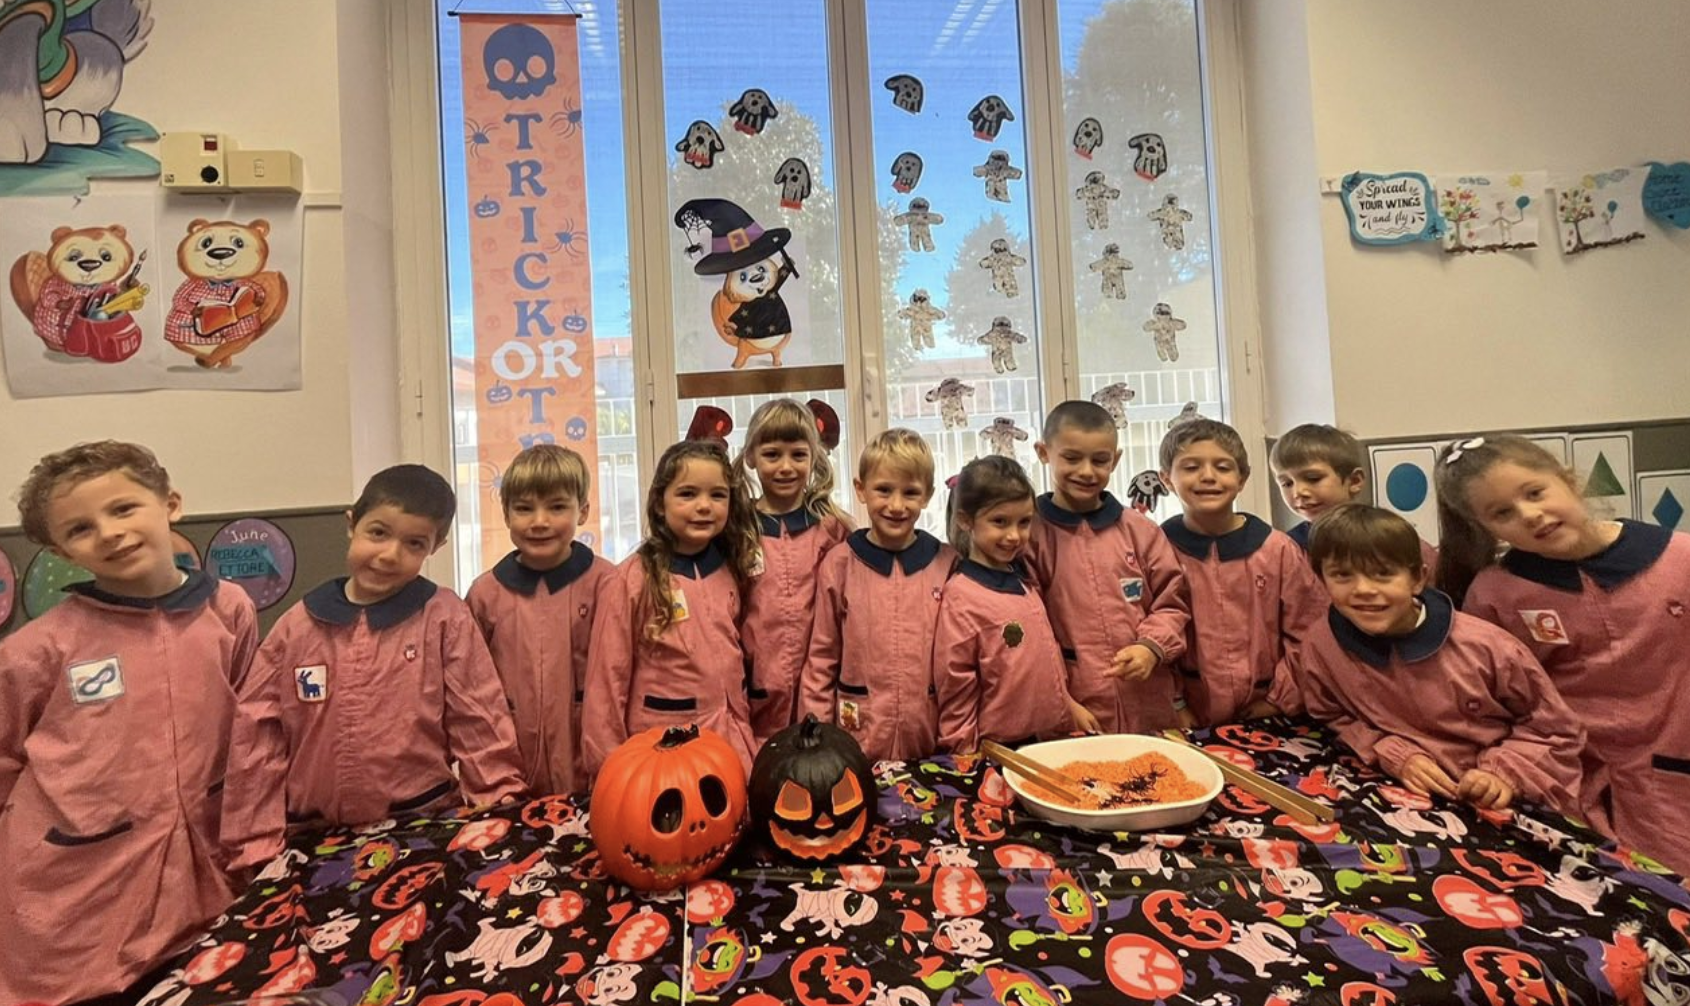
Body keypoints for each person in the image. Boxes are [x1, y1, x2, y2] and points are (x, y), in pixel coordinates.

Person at [1, 442, 257, 1006]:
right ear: (59, 549)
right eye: (80, 528)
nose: (110, 533)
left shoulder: (230, 610)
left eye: (123, 509)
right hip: (76, 890)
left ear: (170, 503)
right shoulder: (37, 650)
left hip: (203, 870)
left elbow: (250, 728)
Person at [221, 465, 526, 871]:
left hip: (422, 826)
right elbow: (257, 737)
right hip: (312, 835)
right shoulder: (297, 627)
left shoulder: (444, 618)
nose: (389, 555)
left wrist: (499, 805)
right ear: (352, 523)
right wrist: (253, 844)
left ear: (436, 546)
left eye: (414, 543)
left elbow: (479, 717)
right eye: (378, 533)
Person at [1436, 434, 1689, 874]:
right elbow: (1497, 706)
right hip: (1568, 784)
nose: (1530, 515)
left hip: (1675, 777)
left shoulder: (1679, 559)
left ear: (1567, 479)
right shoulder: (1497, 595)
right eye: (1502, 513)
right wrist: (1504, 769)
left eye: (1535, 493)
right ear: (1485, 527)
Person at [1293, 505, 1586, 816]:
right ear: (1321, 579)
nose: (1364, 589)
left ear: (1418, 578)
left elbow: (1554, 730)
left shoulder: (1488, 648)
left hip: (1506, 799)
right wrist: (1393, 752)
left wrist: (1502, 773)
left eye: (1383, 573)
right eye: (1342, 575)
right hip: (1402, 797)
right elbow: (1329, 714)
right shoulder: (1321, 645)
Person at [581, 440, 764, 777]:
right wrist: (610, 770)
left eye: (717, 495)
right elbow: (606, 682)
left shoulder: (732, 569)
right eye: (687, 494)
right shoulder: (630, 580)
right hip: (663, 753)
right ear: (660, 503)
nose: (704, 506)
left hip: (732, 744)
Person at [1029, 401, 1193, 732]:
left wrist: (1151, 647)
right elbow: (1029, 628)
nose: (1086, 471)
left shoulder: (1141, 531)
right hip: (1073, 703)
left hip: (1145, 700)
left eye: (1100, 460)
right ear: (1044, 453)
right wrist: (1062, 698)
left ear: (1115, 460)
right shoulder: (1029, 534)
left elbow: (1172, 603)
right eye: (1072, 458)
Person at [466, 445, 614, 795]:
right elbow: (470, 693)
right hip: (508, 777)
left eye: (557, 507)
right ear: (505, 514)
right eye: (524, 508)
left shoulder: (607, 584)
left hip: (593, 775)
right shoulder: (485, 595)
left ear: (583, 511)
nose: (540, 521)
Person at [801, 429, 956, 761]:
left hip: (928, 741)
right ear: (861, 489)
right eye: (884, 490)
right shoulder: (840, 564)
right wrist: (817, 740)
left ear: (928, 495)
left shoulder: (946, 563)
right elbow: (821, 659)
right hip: (856, 741)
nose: (896, 505)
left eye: (910, 492)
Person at [1158, 419, 1326, 725]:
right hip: (1185, 715)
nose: (1208, 476)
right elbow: (1149, 629)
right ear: (1166, 479)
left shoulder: (1278, 550)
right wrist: (1176, 704)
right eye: (1191, 467)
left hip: (1270, 711)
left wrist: (1278, 699)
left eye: (1222, 467)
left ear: (1242, 478)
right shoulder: (1156, 551)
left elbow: (1308, 632)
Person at [934, 456, 1098, 752]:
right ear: (965, 520)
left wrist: (1069, 704)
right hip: (1000, 750)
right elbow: (956, 685)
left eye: (1024, 522)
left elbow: (1043, 660)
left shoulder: (1025, 582)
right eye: (999, 522)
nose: (1014, 536)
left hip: (1050, 739)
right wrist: (964, 751)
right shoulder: (961, 596)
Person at [736, 399, 852, 743]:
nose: (785, 467)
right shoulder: (738, 530)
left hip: (822, 687)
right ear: (751, 457)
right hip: (757, 689)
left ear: (814, 457)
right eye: (772, 455)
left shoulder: (834, 530)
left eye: (798, 455)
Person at [1270, 423, 1438, 575]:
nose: (1298, 492)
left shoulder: (1392, 537)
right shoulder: (1287, 550)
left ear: (1355, 481)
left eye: (1313, 478)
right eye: (1287, 483)